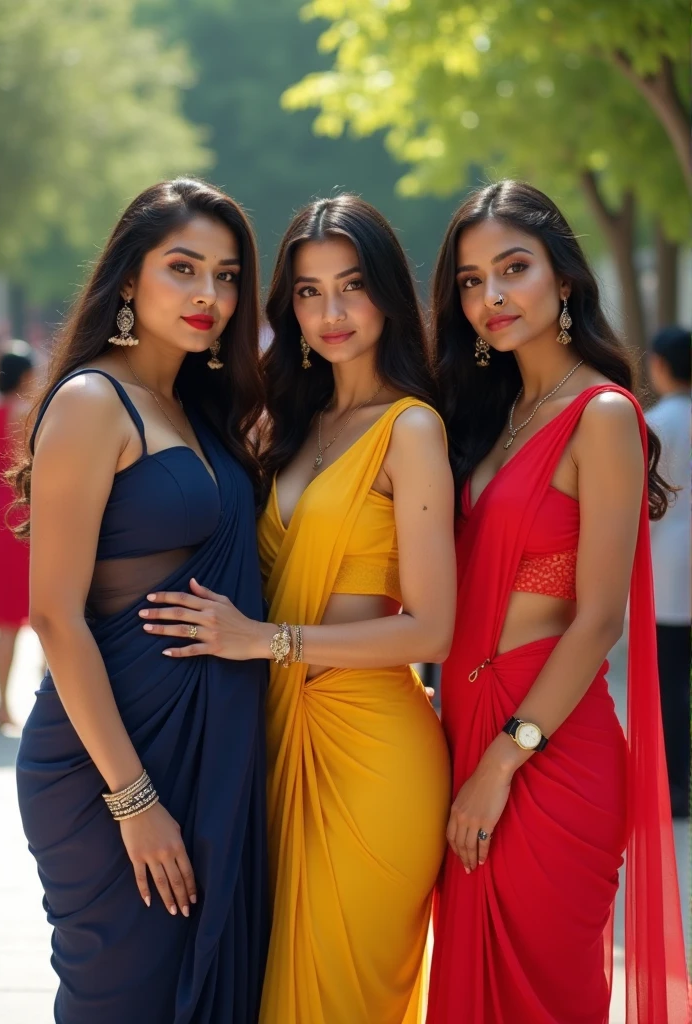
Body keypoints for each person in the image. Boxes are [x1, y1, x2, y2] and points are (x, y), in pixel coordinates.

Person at [141, 195, 456, 1023]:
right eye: (310, 292)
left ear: (388, 293)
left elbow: (431, 629)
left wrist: (263, 641)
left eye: (352, 286)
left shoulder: (412, 429)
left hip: (374, 753)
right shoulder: (286, 421)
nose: (333, 312)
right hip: (272, 736)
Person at [427, 181, 688, 1024]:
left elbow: (601, 616)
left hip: (546, 745)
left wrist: (504, 761)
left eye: (514, 269)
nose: (492, 296)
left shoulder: (602, 414)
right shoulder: (491, 414)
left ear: (564, 280)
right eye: (470, 280)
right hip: (461, 733)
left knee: (547, 994)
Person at [12, 178, 269, 1024]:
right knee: (122, 1000)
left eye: (227, 276)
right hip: (106, 764)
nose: (209, 296)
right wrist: (135, 798)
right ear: (129, 279)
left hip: (205, 753)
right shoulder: (94, 400)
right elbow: (54, 613)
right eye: (183, 268)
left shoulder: (198, 406)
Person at [646, 325, 691, 819]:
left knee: (671, 680)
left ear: (659, 364)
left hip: (669, 566)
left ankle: (676, 783)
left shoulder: (654, 423)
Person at [0, 340, 36, 728]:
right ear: (25, 376)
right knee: (18, 620)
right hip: (17, 523)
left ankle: (4, 702)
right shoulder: (26, 415)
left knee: (5, 621)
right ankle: (8, 704)